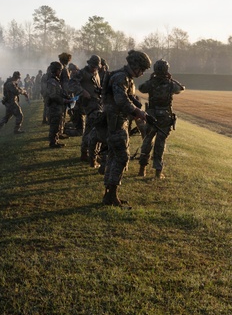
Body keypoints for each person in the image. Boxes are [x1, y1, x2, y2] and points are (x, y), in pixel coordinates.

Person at [100, 50, 152, 206]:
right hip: (115, 123)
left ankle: (109, 195)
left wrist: (133, 113)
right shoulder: (120, 77)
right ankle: (111, 194)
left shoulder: (125, 77)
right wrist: (137, 112)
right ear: (135, 66)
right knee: (122, 157)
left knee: (113, 157)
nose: (142, 73)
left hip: (118, 120)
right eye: (141, 69)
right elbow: (121, 100)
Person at [136, 59, 186, 179]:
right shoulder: (170, 84)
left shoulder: (151, 83)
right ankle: (158, 171)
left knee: (147, 142)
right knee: (160, 144)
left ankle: (142, 169)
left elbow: (141, 87)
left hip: (151, 115)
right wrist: (170, 78)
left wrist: (151, 78)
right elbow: (181, 88)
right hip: (165, 117)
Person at [71, 54, 104, 164]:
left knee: (94, 129)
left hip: (97, 103)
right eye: (93, 66)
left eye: (96, 66)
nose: (94, 68)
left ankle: (88, 153)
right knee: (92, 129)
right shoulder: (82, 73)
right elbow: (71, 84)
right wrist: (82, 91)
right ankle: (88, 154)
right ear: (89, 64)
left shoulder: (96, 73)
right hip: (89, 104)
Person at [42, 62, 73, 148]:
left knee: (57, 124)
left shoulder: (55, 80)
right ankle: (53, 143)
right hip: (54, 107)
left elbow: (58, 93)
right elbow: (53, 96)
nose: (60, 72)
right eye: (59, 70)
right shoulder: (52, 81)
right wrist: (64, 100)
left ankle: (55, 141)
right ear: (55, 70)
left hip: (57, 106)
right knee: (54, 125)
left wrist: (66, 96)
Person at [0, 71, 29, 137]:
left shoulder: (12, 82)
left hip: (9, 102)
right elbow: (16, 91)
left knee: (6, 117)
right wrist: (23, 92)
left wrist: (23, 92)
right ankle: (16, 130)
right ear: (15, 77)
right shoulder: (10, 84)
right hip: (11, 102)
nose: (18, 79)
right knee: (20, 115)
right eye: (18, 78)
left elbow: (17, 88)